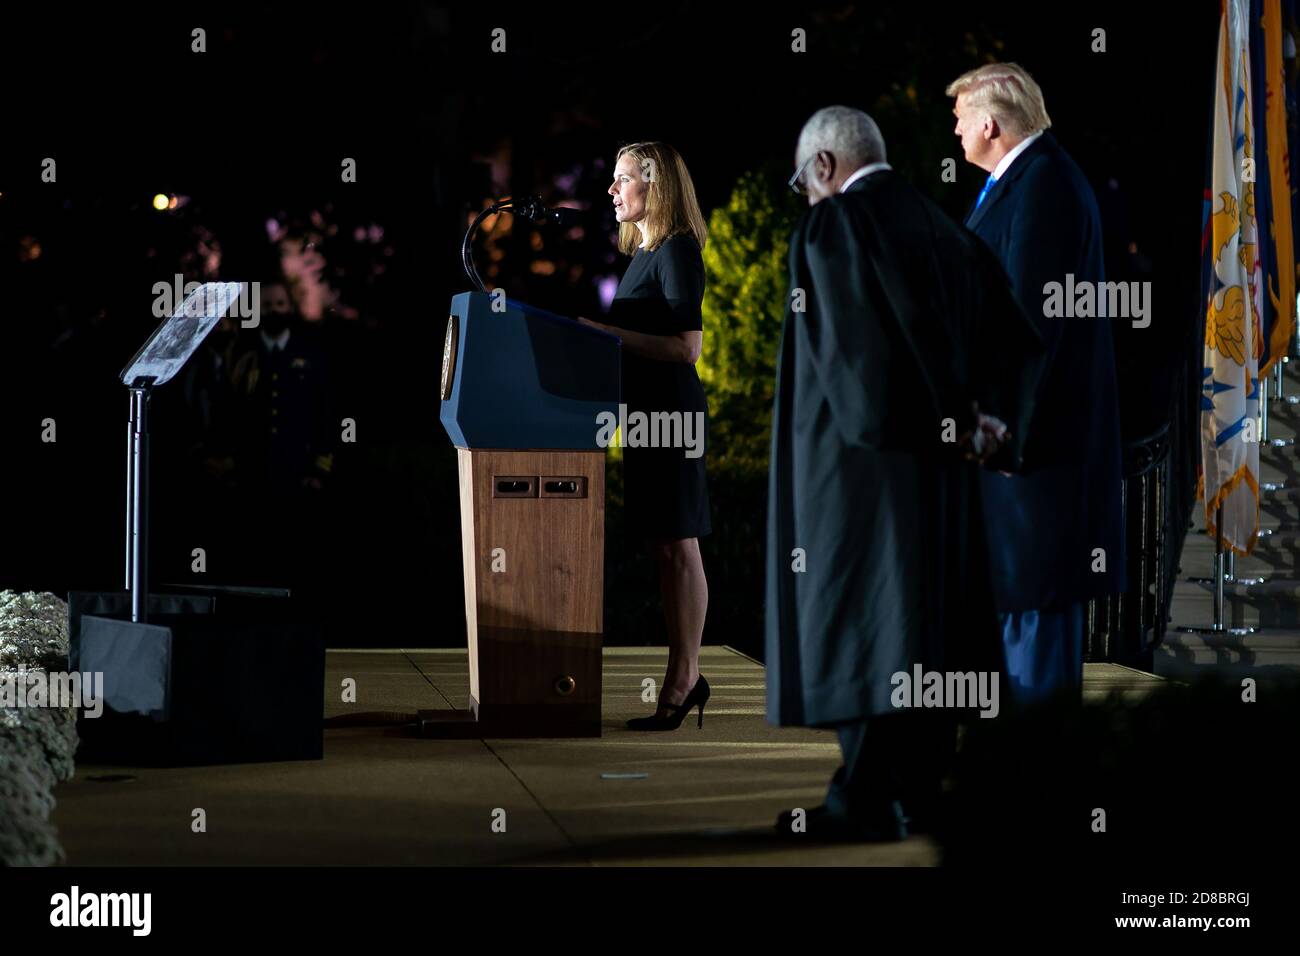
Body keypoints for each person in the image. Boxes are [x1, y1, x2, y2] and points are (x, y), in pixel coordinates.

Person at [766, 106, 1045, 840]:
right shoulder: (945, 227)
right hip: (950, 473)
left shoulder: (836, 228)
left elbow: (861, 365)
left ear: (824, 166)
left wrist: (934, 424)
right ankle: (920, 794)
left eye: (803, 182)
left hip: (866, 471)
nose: (806, 197)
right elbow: (1015, 336)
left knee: (869, 623)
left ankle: (861, 800)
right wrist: (985, 426)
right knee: (929, 627)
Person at [948, 63, 1125, 705]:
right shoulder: (1021, 179)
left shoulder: (1044, 182)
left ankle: (1042, 794)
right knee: (1018, 635)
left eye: (961, 116)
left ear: (990, 123)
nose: (956, 128)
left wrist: (997, 429)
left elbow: (1029, 325)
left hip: (1035, 461)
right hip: (1023, 464)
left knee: (1037, 647)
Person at [577, 142, 712, 731]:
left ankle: (683, 680)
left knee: (678, 544)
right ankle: (685, 676)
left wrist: (604, 333)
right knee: (665, 545)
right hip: (644, 415)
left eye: (622, 179)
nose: (612, 190)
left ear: (653, 187)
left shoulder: (677, 249)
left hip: (671, 416)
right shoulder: (643, 253)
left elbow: (688, 348)